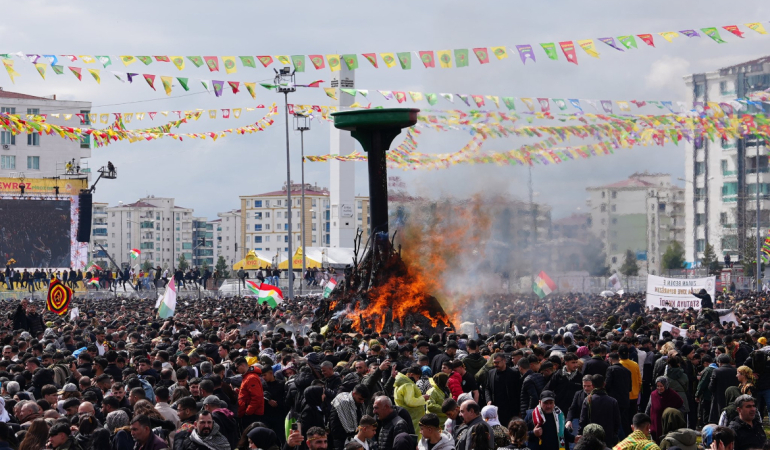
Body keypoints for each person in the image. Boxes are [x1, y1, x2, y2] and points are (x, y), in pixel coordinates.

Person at [579, 375, 621, 447]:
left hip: (591, 438)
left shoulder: (588, 400)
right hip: (608, 438)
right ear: (604, 384)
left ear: (592, 385)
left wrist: (580, 435)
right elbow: (617, 421)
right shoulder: (613, 401)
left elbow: (583, 420)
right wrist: (614, 434)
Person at [487, 353, 521, 427]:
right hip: (496, 410)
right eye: (494, 362)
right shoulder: (491, 373)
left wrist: (519, 410)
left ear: (504, 361)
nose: (495, 364)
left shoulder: (514, 373)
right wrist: (488, 400)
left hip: (510, 409)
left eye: (497, 362)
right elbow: (487, 388)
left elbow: (518, 391)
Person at [645, 377, 683, 442]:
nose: (659, 388)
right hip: (655, 423)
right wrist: (646, 420)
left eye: (661, 386)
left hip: (667, 425)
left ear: (666, 385)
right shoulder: (653, 394)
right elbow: (648, 407)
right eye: (658, 386)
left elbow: (681, 407)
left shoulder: (672, 395)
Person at [394, 366, 427, 436]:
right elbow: (410, 402)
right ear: (411, 375)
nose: (418, 380)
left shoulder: (399, 384)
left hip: (405, 415)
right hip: (413, 418)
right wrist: (423, 398)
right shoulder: (408, 385)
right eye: (417, 377)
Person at [710, 354, 739, 423]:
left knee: (720, 415)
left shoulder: (716, 371)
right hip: (732, 396)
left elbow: (711, 386)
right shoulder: (735, 370)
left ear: (719, 362)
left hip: (719, 396)